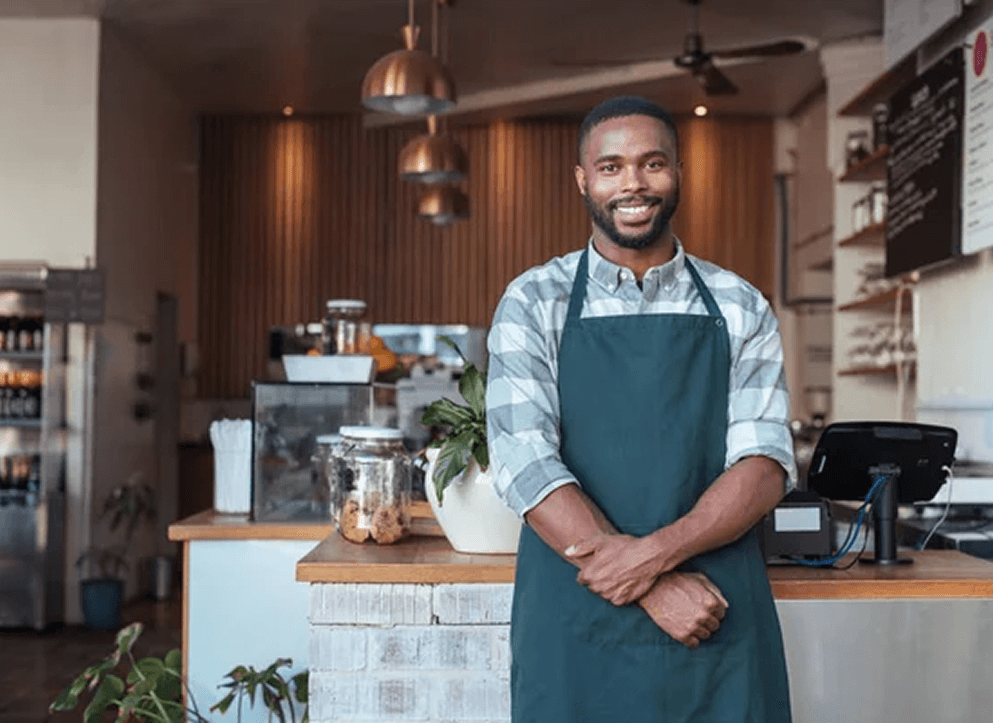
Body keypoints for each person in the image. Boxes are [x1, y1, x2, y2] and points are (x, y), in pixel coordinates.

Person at [485, 95, 797, 723]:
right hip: (578, 622)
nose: (633, 183)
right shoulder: (533, 301)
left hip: (714, 615)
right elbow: (524, 463)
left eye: (652, 164)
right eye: (611, 167)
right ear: (583, 179)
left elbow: (763, 464)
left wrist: (649, 559)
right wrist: (653, 585)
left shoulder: (740, 305)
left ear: (678, 172)